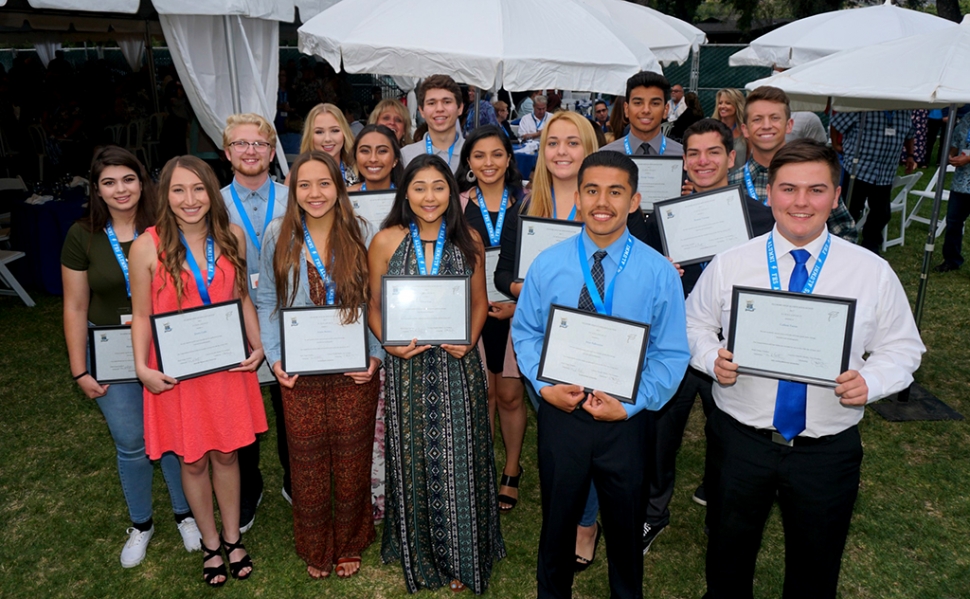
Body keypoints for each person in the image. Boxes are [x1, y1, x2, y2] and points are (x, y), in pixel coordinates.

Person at [686, 140, 925, 599]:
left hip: (827, 448)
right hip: (741, 440)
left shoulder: (870, 272)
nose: (801, 202)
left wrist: (872, 381)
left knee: (816, 568)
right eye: (788, 189)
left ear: (836, 196)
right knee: (727, 558)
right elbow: (694, 323)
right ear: (769, 193)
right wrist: (709, 357)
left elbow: (903, 347)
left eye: (816, 190)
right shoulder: (732, 263)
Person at [512, 151, 690, 599]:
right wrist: (543, 384)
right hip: (562, 414)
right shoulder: (548, 264)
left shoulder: (657, 272)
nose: (602, 201)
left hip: (625, 421)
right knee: (556, 524)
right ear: (578, 195)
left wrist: (632, 404)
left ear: (634, 201)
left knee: (626, 528)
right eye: (592, 190)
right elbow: (527, 331)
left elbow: (670, 352)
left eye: (616, 191)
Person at [635, 119, 775, 552]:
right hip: (674, 346)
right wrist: (662, 273)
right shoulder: (662, 219)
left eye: (713, 152)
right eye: (693, 154)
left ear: (732, 158)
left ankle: (721, 510)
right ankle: (653, 512)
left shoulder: (763, 219)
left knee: (731, 436)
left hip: (733, 351)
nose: (702, 161)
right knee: (660, 435)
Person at [368, 154, 505, 594]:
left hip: (458, 363)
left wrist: (471, 338)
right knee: (411, 459)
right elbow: (374, 306)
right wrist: (387, 341)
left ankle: (465, 554)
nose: (430, 196)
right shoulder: (386, 240)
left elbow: (480, 302)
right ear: (405, 192)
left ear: (452, 192)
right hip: (406, 366)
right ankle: (419, 550)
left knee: (462, 458)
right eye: (420, 187)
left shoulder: (470, 241)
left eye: (439, 187)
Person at [129, 155, 268, 587]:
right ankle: (210, 543)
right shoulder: (146, 246)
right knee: (192, 460)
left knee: (227, 454)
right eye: (178, 190)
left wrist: (258, 343)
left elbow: (242, 296)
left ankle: (232, 537)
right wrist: (140, 368)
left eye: (198, 189)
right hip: (177, 374)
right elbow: (140, 316)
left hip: (226, 367)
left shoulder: (233, 237)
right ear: (164, 195)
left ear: (212, 192)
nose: (190, 200)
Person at [61, 146, 201, 569]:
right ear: (97, 190)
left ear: (143, 183)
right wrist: (79, 369)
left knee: (175, 437)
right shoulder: (82, 234)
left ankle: (185, 514)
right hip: (111, 355)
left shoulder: (167, 226)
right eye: (109, 182)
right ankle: (141, 523)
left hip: (163, 348)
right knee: (131, 443)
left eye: (128, 179)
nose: (121, 189)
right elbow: (74, 306)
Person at [257, 151, 383, 579]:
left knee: (352, 458)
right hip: (299, 372)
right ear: (293, 191)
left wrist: (375, 355)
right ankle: (315, 544)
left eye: (324, 184)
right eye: (304, 185)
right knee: (307, 460)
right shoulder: (277, 233)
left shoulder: (361, 231)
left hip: (354, 369)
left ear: (339, 187)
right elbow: (266, 301)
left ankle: (349, 541)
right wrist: (274, 356)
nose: (315, 193)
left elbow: (376, 301)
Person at [219, 113, 290, 532]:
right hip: (232, 315)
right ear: (228, 153)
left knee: (288, 403)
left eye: (259, 144)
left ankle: (294, 478)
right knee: (239, 406)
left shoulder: (294, 196)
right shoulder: (212, 203)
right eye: (242, 144)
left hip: (288, 315)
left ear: (271, 150)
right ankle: (249, 487)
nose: (251, 151)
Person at [455, 125, 528, 513]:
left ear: (509, 158)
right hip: (474, 312)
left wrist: (522, 303)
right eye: (479, 156)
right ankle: (482, 468)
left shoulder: (530, 201)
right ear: (468, 162)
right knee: (481, 393)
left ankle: (511, 469)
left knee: (510, 394)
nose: (488, 163)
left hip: (518, 311)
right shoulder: (455, 204)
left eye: (497, 154)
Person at [730, 86, 858, 244]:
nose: (766, 125)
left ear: (789, 125)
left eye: (775, 118)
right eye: (757, 119)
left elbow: (845, 232)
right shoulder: (732, 183)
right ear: (745, 129)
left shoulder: (813, 177)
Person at [831, 109, 916, 253]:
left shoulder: (904, 110)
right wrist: (835, 144)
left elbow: (909, 135)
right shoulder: (863, 108)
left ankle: (870, 247)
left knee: (882, 213)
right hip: (858, 170)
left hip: (885, 172)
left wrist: (910, 155)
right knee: (849, 209)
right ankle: (839, 244)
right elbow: (836, 124)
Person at [601, 71, 684, 157]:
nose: (646, 110)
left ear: (666, 110)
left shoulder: (683, 157)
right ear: (626, 109)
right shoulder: (605, 158)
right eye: (638, 103)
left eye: (655, 103)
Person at [401, 75, 465, 173]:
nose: (439, 109)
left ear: (460, 108)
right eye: (431, 103)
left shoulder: (474, 152)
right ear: (421, 111)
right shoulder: (406, 155)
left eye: (447, 102)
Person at [934, 110, 970, 272]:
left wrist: (968, 158)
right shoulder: (967, 118)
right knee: (954, 222)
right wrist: (951, 155)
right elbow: (956, 140)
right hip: (961, 183)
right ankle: (951, 259)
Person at [301, 103, 359, 186]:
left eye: (335, 131)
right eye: (319, 132)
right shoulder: (299, 174)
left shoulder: (360, 169)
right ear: (309, 136)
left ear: (344, 133)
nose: (328, 139)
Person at [347, 124, 403, 193]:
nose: (373, 159)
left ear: (395, 160)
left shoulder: (408, 197)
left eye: (382, 151)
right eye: (365, 151)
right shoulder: (344, 198)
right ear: (356, 157)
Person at [712, 88, 747, 166]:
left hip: (741, 176)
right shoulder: (712, 129)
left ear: (737, 105)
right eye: (720, 103)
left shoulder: (745, 131)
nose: (722, 106)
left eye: (728, 103)